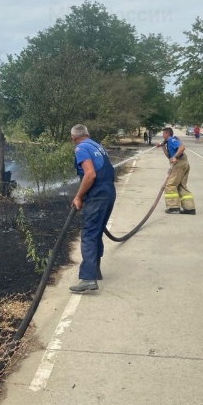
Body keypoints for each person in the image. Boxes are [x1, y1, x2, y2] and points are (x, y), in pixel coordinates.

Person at [69, 124, 116, 293]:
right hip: (109, 192)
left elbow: (90, 174)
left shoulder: (80, 148)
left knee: (89, 234)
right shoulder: (97, 146)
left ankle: (88, 278)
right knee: (96, 232)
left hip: (97, 195)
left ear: (73, 138)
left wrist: (79, 196)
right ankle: (95, 270)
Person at [158, 127, 196, 215]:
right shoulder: (168, 142)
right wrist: (163, 147)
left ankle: (173, 207)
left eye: (163, 133)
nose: (162, 135)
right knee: (181, 186)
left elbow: (182, 147)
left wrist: (175, 157)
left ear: (167, 134)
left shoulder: (171, 140)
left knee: (170, 184)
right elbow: (169, 156)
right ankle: (189, 208)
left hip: (179, 164)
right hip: (182, 164)